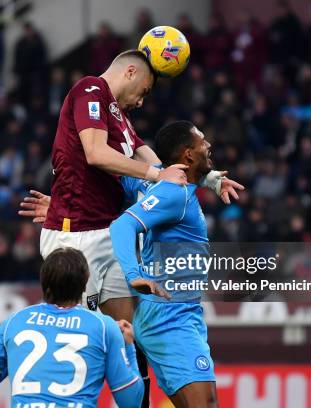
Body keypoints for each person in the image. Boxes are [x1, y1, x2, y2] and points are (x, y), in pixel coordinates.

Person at [19, 49, 242, 407]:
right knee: (81, 341)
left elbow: (158, 162)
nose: (142, 100)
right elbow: (95, 153)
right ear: (131, 71)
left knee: (129, 337)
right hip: (76, 238)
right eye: (145, 90)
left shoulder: (119, 117)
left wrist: (209, 178)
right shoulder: (90, 90)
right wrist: (157, 175)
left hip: (106, 232)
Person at [110, 121, 225, 407]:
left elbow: (124, 176)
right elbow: (122, 227)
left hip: (177, 314)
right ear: (187, 155)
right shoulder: (173, 193)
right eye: (201, 142)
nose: (208, 145)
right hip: (171, 319)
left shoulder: (162, 185)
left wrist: (63, 207)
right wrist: (134, 274)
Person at [0, 247, 144, 408]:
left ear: (43, 281)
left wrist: (11, 362)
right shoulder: (104, 326)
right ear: (85, 282)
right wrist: (128, 347)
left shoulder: (15, 321)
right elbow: (131, 402)